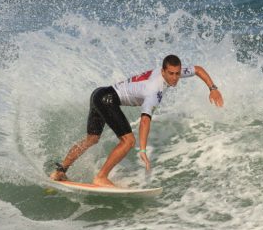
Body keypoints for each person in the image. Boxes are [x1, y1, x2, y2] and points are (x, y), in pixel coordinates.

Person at [50, 54, 224, 187]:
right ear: (163, 71)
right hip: (107, 99)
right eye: (170, 74)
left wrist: (212, 88)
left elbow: (198, 69)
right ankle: (101, 177)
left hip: (99, 94)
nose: (174, 78)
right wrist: (142, 149)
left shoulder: (171, 73)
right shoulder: (154, 91)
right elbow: (145, 121)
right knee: (128, 141)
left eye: (177, 74)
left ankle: (60, 171)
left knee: (92, 139)